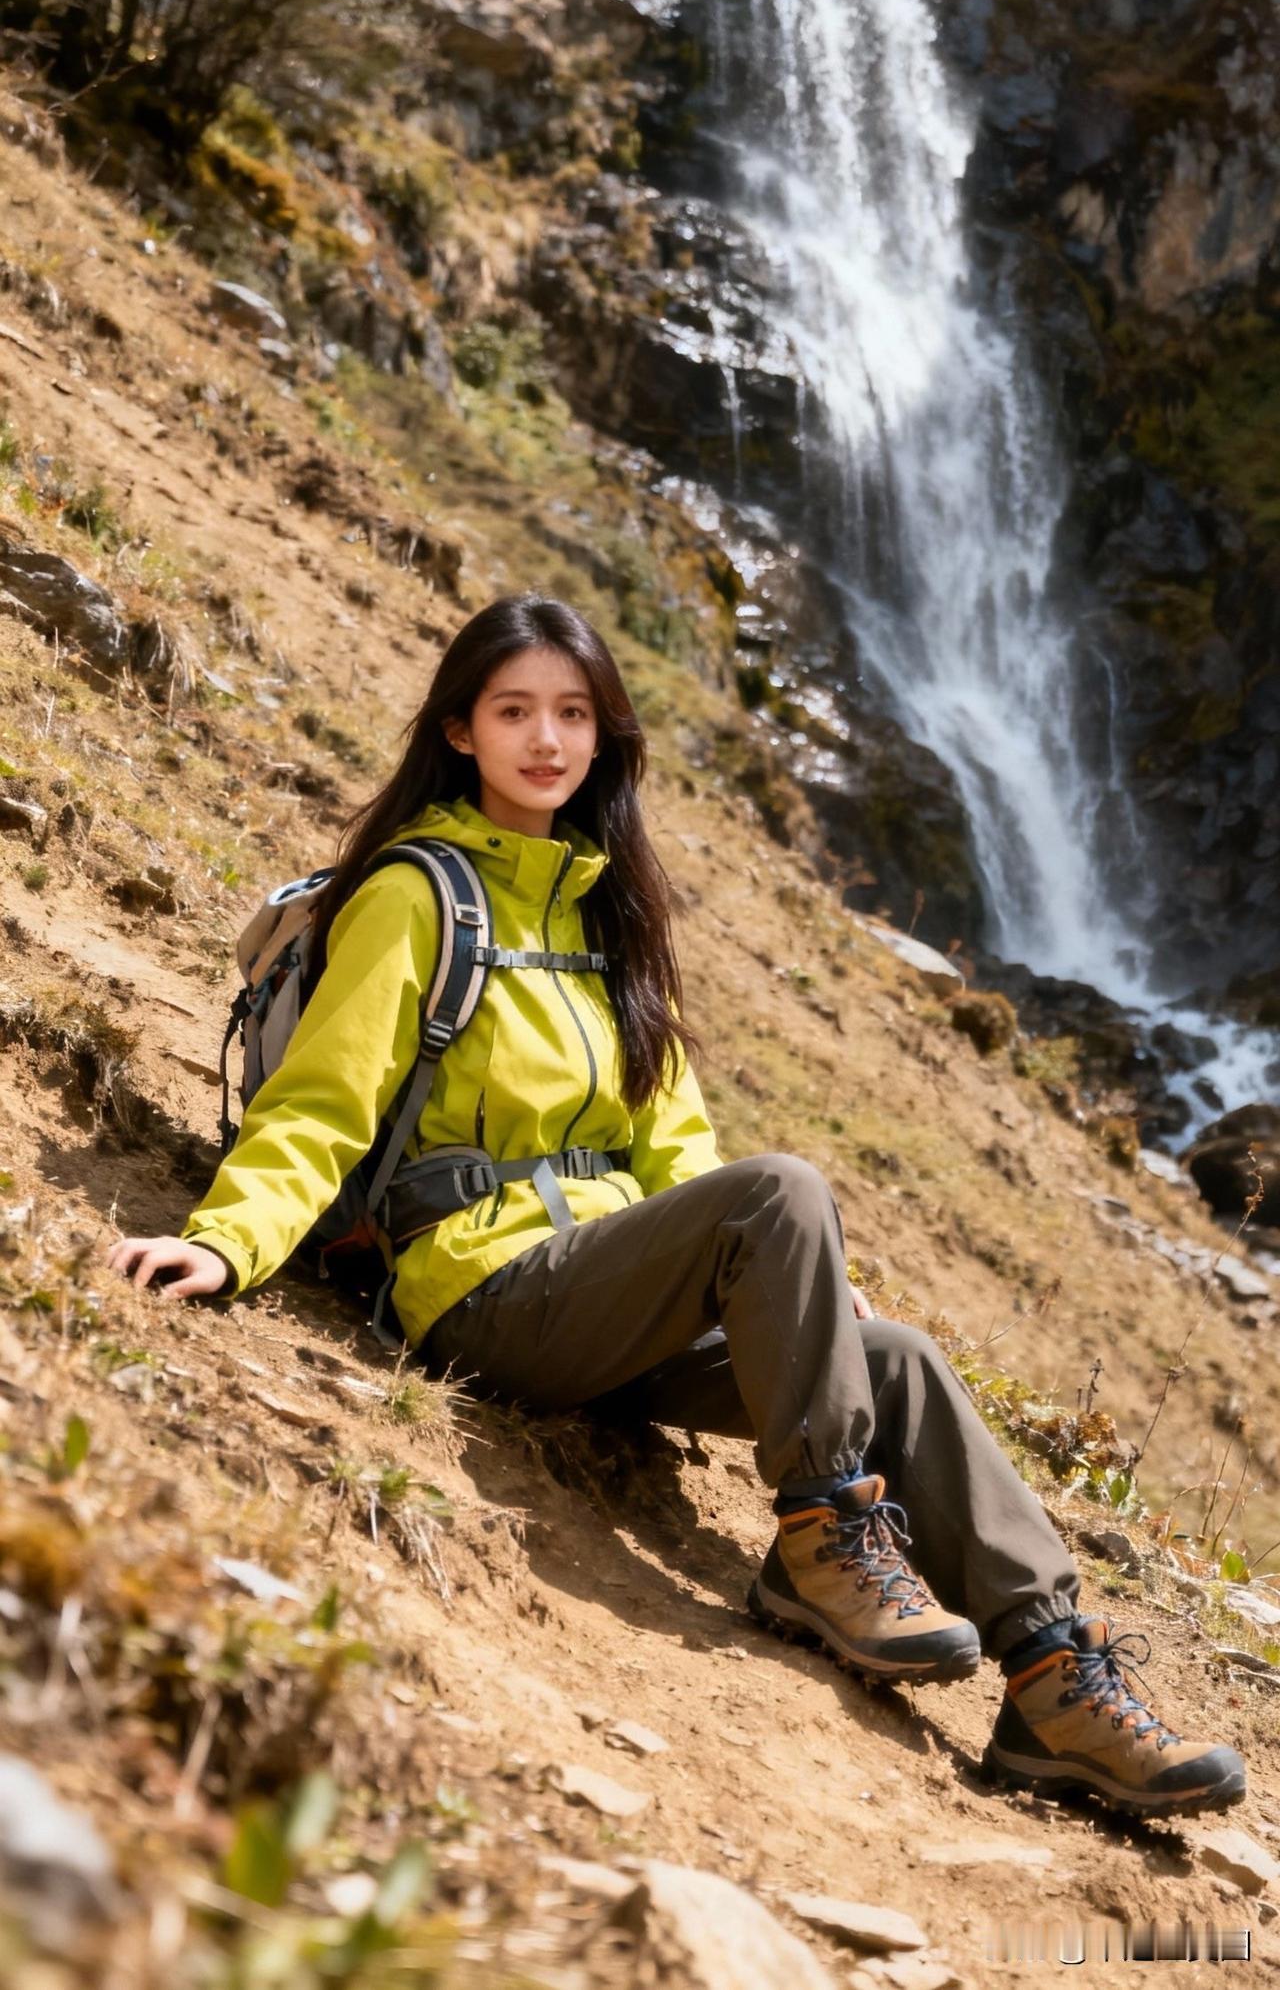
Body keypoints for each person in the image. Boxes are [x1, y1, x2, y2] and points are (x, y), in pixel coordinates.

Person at [110, 592, 1245, 1819]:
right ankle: (822, 1544)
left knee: (896, 1359)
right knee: (781, 1191)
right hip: (483, 1292)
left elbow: (676, 1146)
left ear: (605, 736)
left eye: (571, 713)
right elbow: (324, 1107)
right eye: (513, 712)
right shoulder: (416, 896)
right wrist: (223, 1245)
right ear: (457, 732)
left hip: (609, 1296)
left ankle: (1052, 1680)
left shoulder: (609, 918)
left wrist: (791, 1282)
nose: (545, 739)